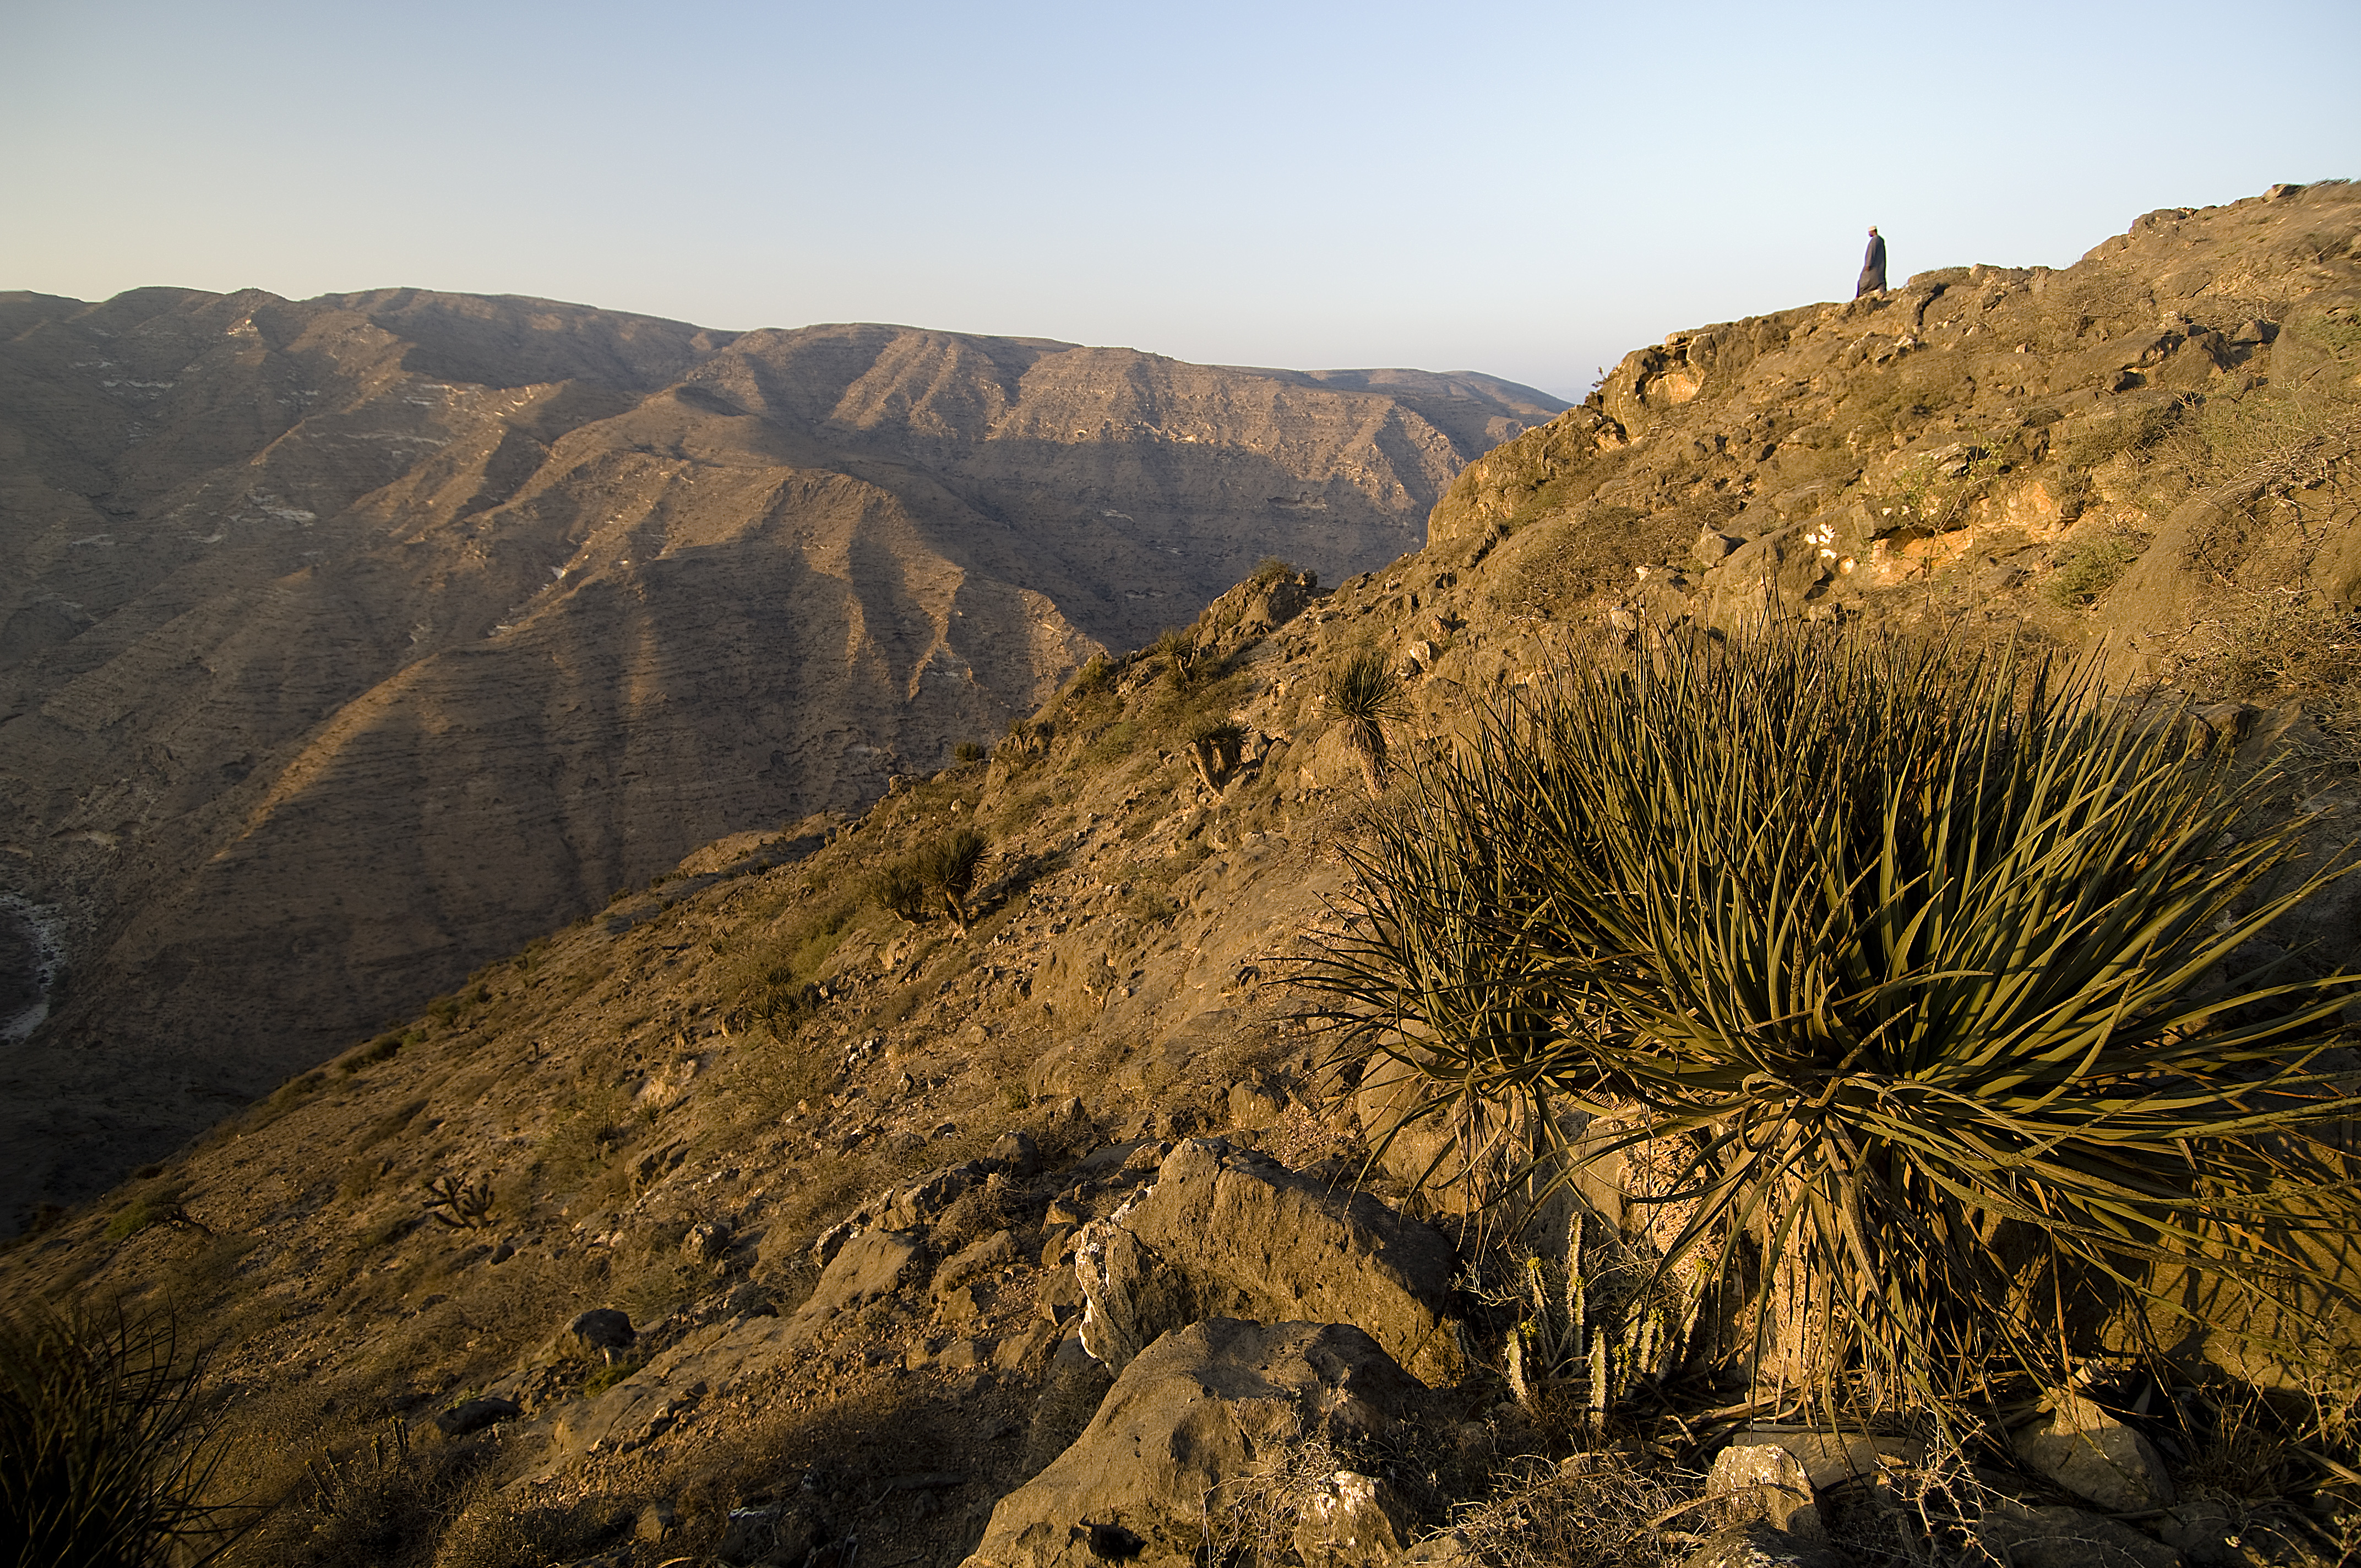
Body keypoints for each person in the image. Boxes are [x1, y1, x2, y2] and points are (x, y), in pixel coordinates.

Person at [1857, 226, 1887, 297]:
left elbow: (1871, 252)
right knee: (1880, 281)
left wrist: (1868, 265)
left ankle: (1860, 297)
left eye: (1869, 232)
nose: (1868, 234)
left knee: (1863, 283)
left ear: (1873, 231)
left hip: (1873, 268)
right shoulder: (1880, 240)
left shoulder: (1874, 240)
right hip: (1880, 267)